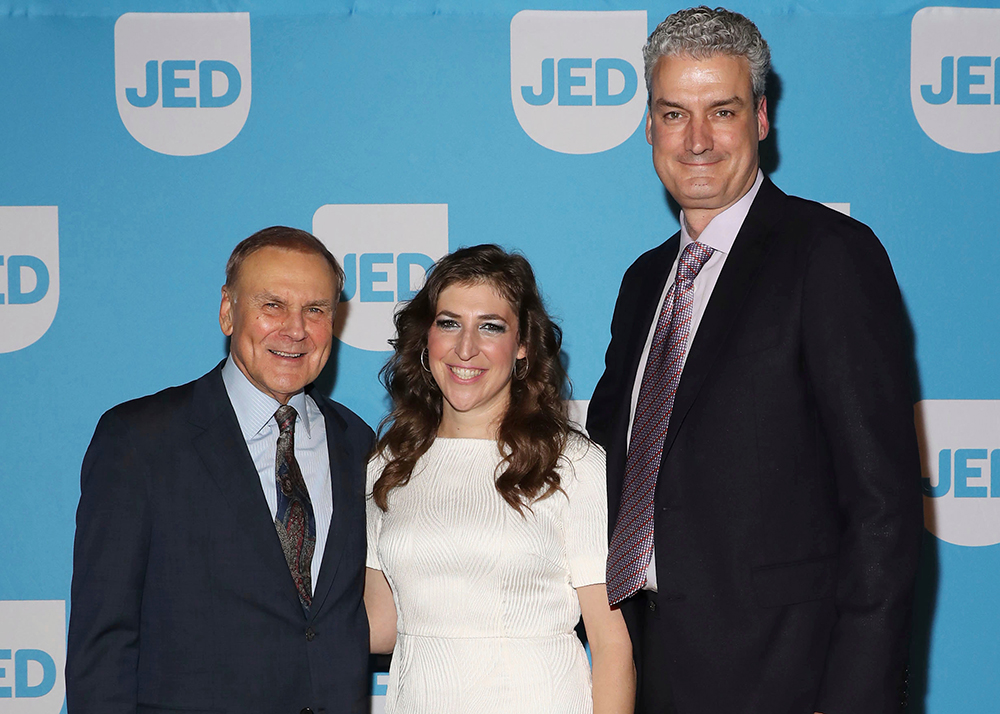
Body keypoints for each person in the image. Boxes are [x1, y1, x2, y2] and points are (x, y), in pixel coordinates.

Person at [586, 7, 923, 714]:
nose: (697, 139)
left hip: (790, 684)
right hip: (653, 675)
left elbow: (882, 508)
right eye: (674, 113)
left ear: (761, 119)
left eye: (723, 111)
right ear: (649, 126)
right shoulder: (644, 281)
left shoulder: (829, 255)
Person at [67, 226, 374, 714]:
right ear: (228, 311)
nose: (295, 329)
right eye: (272, 305)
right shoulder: (140, 440)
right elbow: (102, 640)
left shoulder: (360, 445)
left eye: (315, 310)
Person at [363, 244, 634, 713]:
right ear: (426, 337)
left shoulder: (573, 463)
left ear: (524, 344)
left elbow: (611, 647)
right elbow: (380, 624)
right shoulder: (388, 463)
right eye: (449, 323)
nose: (465, 348)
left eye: (491, 326)